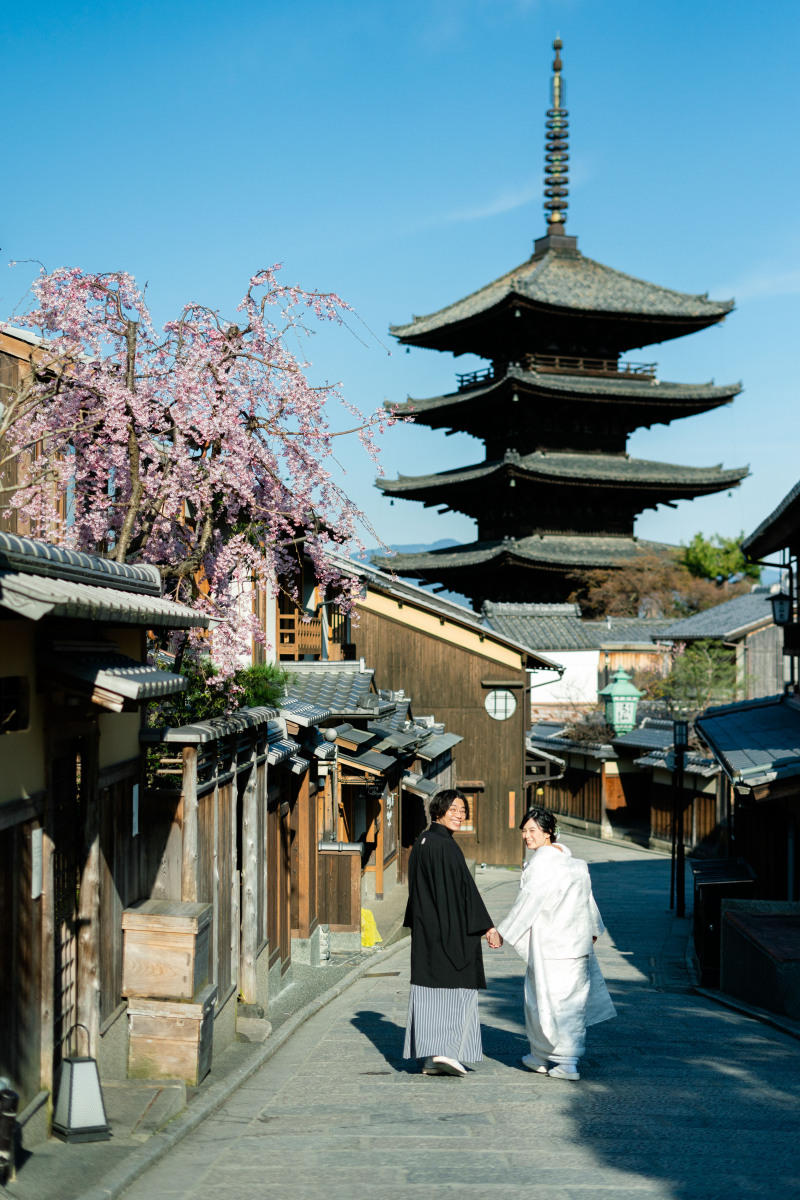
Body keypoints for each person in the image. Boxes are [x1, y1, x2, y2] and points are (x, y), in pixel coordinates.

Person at [493, 806, 616, 1081]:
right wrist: (593, 928)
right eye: (524, 831)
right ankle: (540, 1055)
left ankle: (565, 1061)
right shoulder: (576, 864)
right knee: (569, 1001)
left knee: (546, 1001)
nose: (527, 836)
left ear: (548, 832)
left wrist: (504, 931)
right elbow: (588, 900)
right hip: (576, 943)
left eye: (532, 830)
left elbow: (527, 903)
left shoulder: (542, 865)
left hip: (550, 945)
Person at [402, 789, 501, 1077]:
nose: (460, 815)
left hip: (428, 930)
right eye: (454, 809)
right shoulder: (442, 845)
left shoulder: (425, 840)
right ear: (439, 810)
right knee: (451, 989)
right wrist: (486, 926)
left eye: (463, 810)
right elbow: (463, 892)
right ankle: (444, 1051)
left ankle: (433, 1057)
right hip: (448, 930)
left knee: (430, 992)